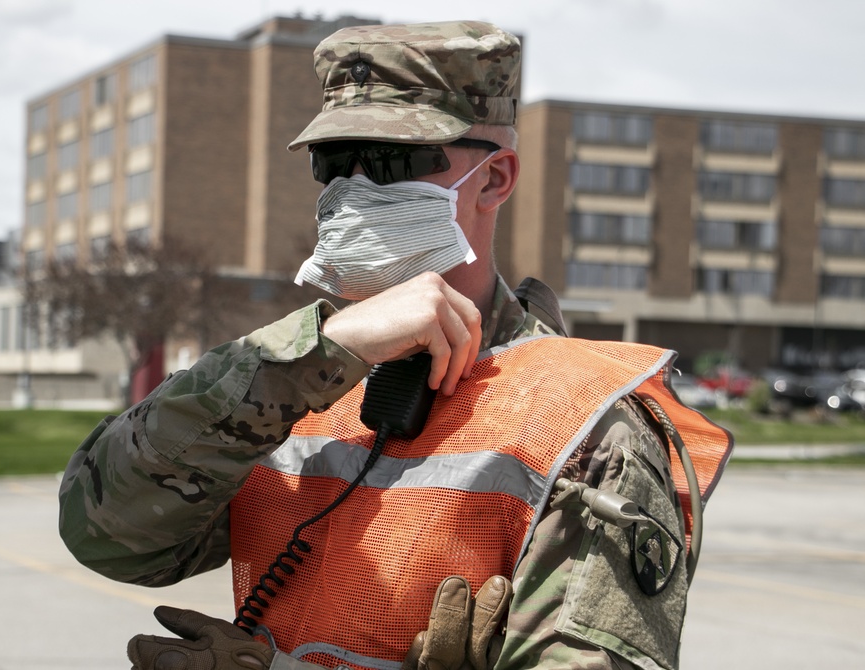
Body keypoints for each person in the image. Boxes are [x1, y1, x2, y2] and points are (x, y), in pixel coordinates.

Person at [58, 20, 731, 670]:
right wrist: (316, 355)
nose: (354, 190)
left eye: (392, 161)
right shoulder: (295, 382)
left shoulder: (584, 425)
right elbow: (109, 535)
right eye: (335, 163)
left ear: (494, 179)